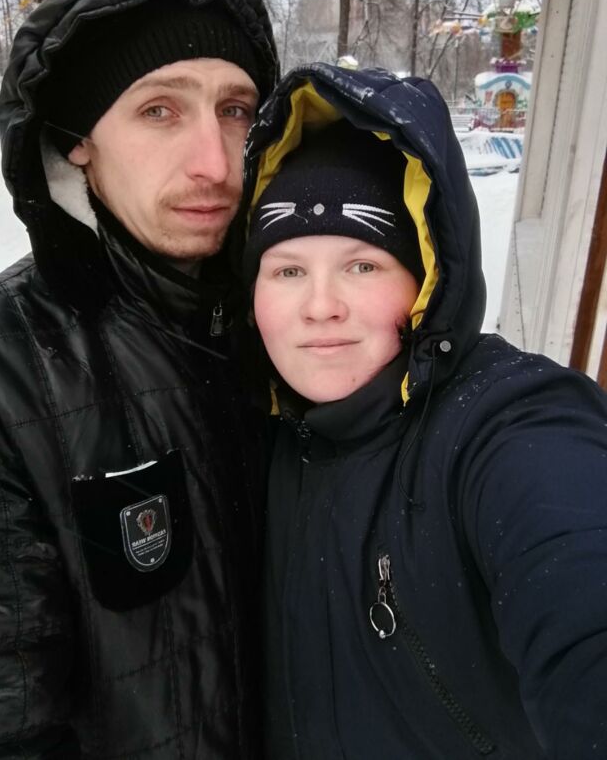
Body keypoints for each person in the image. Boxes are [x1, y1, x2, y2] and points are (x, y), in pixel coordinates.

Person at [0, 0, 278, 759]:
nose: (216, 162)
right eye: (159, 110)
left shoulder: (299, 329)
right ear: (79, 142)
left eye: (236, 110)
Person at [241, 63, 607, 760]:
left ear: (426, 279)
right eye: (288, 270)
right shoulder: (254, 434)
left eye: (362, 265)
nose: (320, 306)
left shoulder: (502, 423)